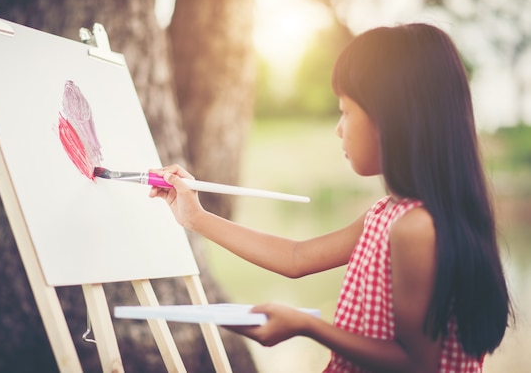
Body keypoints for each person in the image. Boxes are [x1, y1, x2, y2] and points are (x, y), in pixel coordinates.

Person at [149, 23, 512, 372]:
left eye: (346, 112)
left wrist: (308, 326)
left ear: (394, 120)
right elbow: (295, 257)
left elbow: (417, 364)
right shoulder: (386, 214)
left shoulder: (417, 228)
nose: (339, 128)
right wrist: (194, 217)